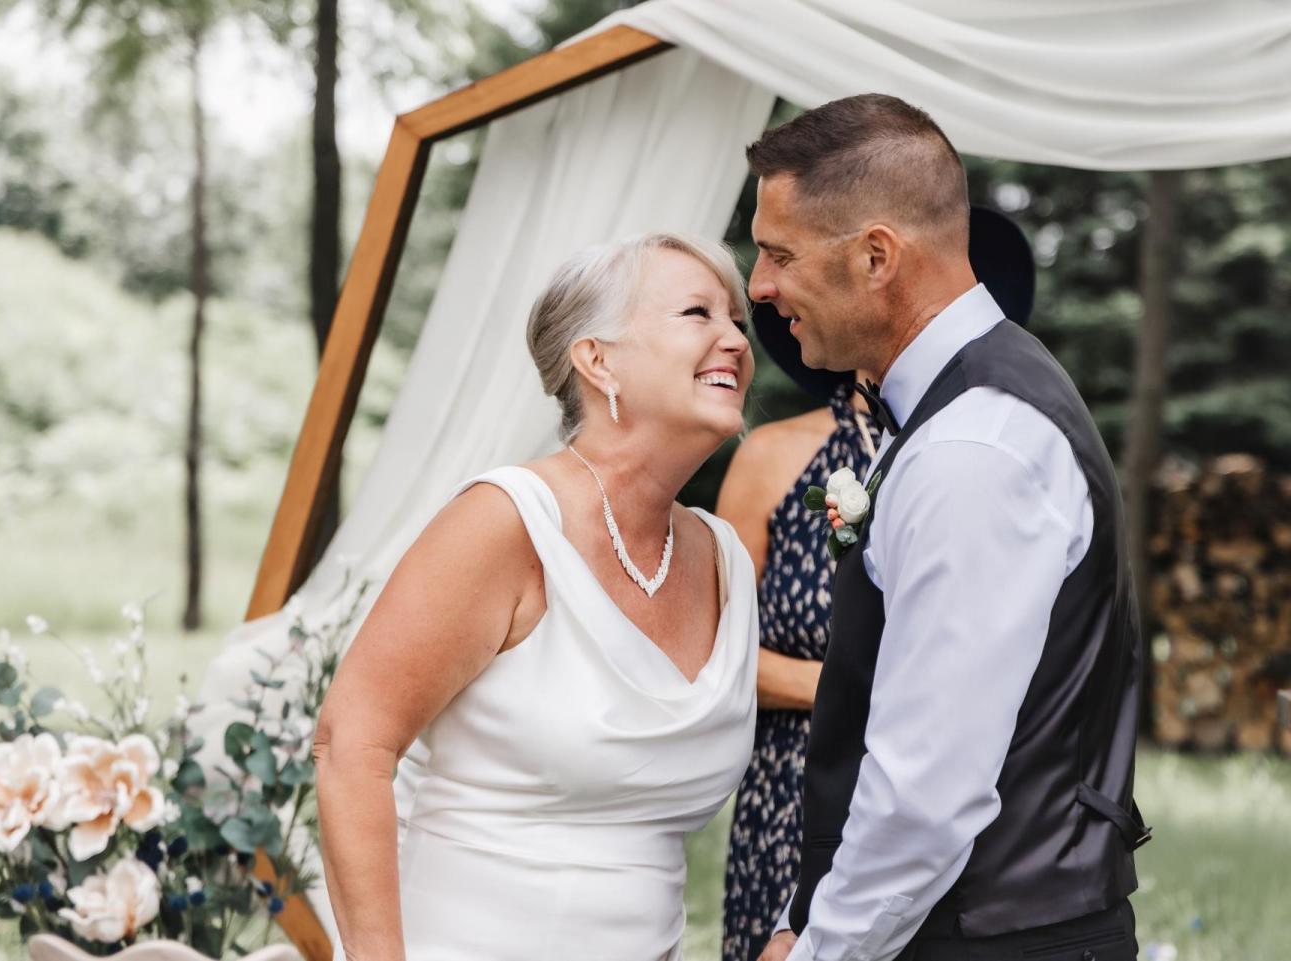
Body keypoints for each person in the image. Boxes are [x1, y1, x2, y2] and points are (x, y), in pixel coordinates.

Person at [746, 94, 1148, 961]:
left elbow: (925, 790)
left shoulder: (974, 444)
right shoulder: (961, 410)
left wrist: (822, 950)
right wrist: (801, 911)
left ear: (877, 256)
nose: (759, 286)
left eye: (778, 252)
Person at [313, 232, 761, 961]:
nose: (734, 341)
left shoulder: (725, 560)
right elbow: (350, 743)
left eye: (736, 321)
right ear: (597, 359)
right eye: (697, 313)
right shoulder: (506, 521)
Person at [718, 206, 1036, 961]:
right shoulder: (770, 456)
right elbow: (719, 655)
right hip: (790, 797)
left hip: (954, 802)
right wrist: (850, 686)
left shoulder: (981, 449)